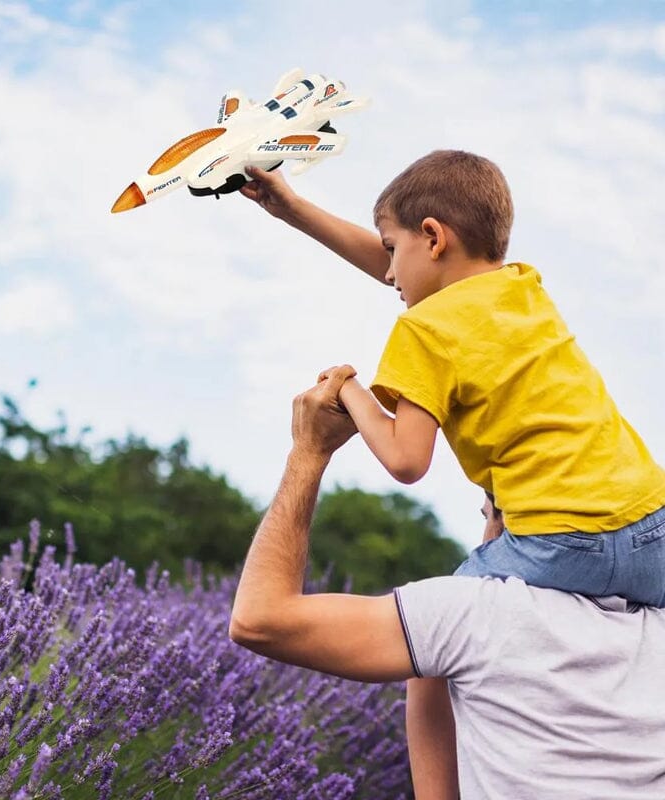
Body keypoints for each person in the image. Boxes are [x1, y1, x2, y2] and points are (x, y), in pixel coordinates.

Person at [239, 151, 665, 794]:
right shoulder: (522, 288)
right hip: (651, 532)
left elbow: (407, 461)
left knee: (430, 645)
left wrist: (348, 390)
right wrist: (292, 208)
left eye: (392, 248)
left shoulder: (424, 330)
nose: (389, 274)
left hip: (562, 544)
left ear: (433, 237)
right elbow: (410, 270)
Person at [229, 371, 665, 799]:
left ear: (512, 522)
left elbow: (261, 620)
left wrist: (308, 451)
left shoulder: (475, 613)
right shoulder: (653, 624)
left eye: (486, 515)